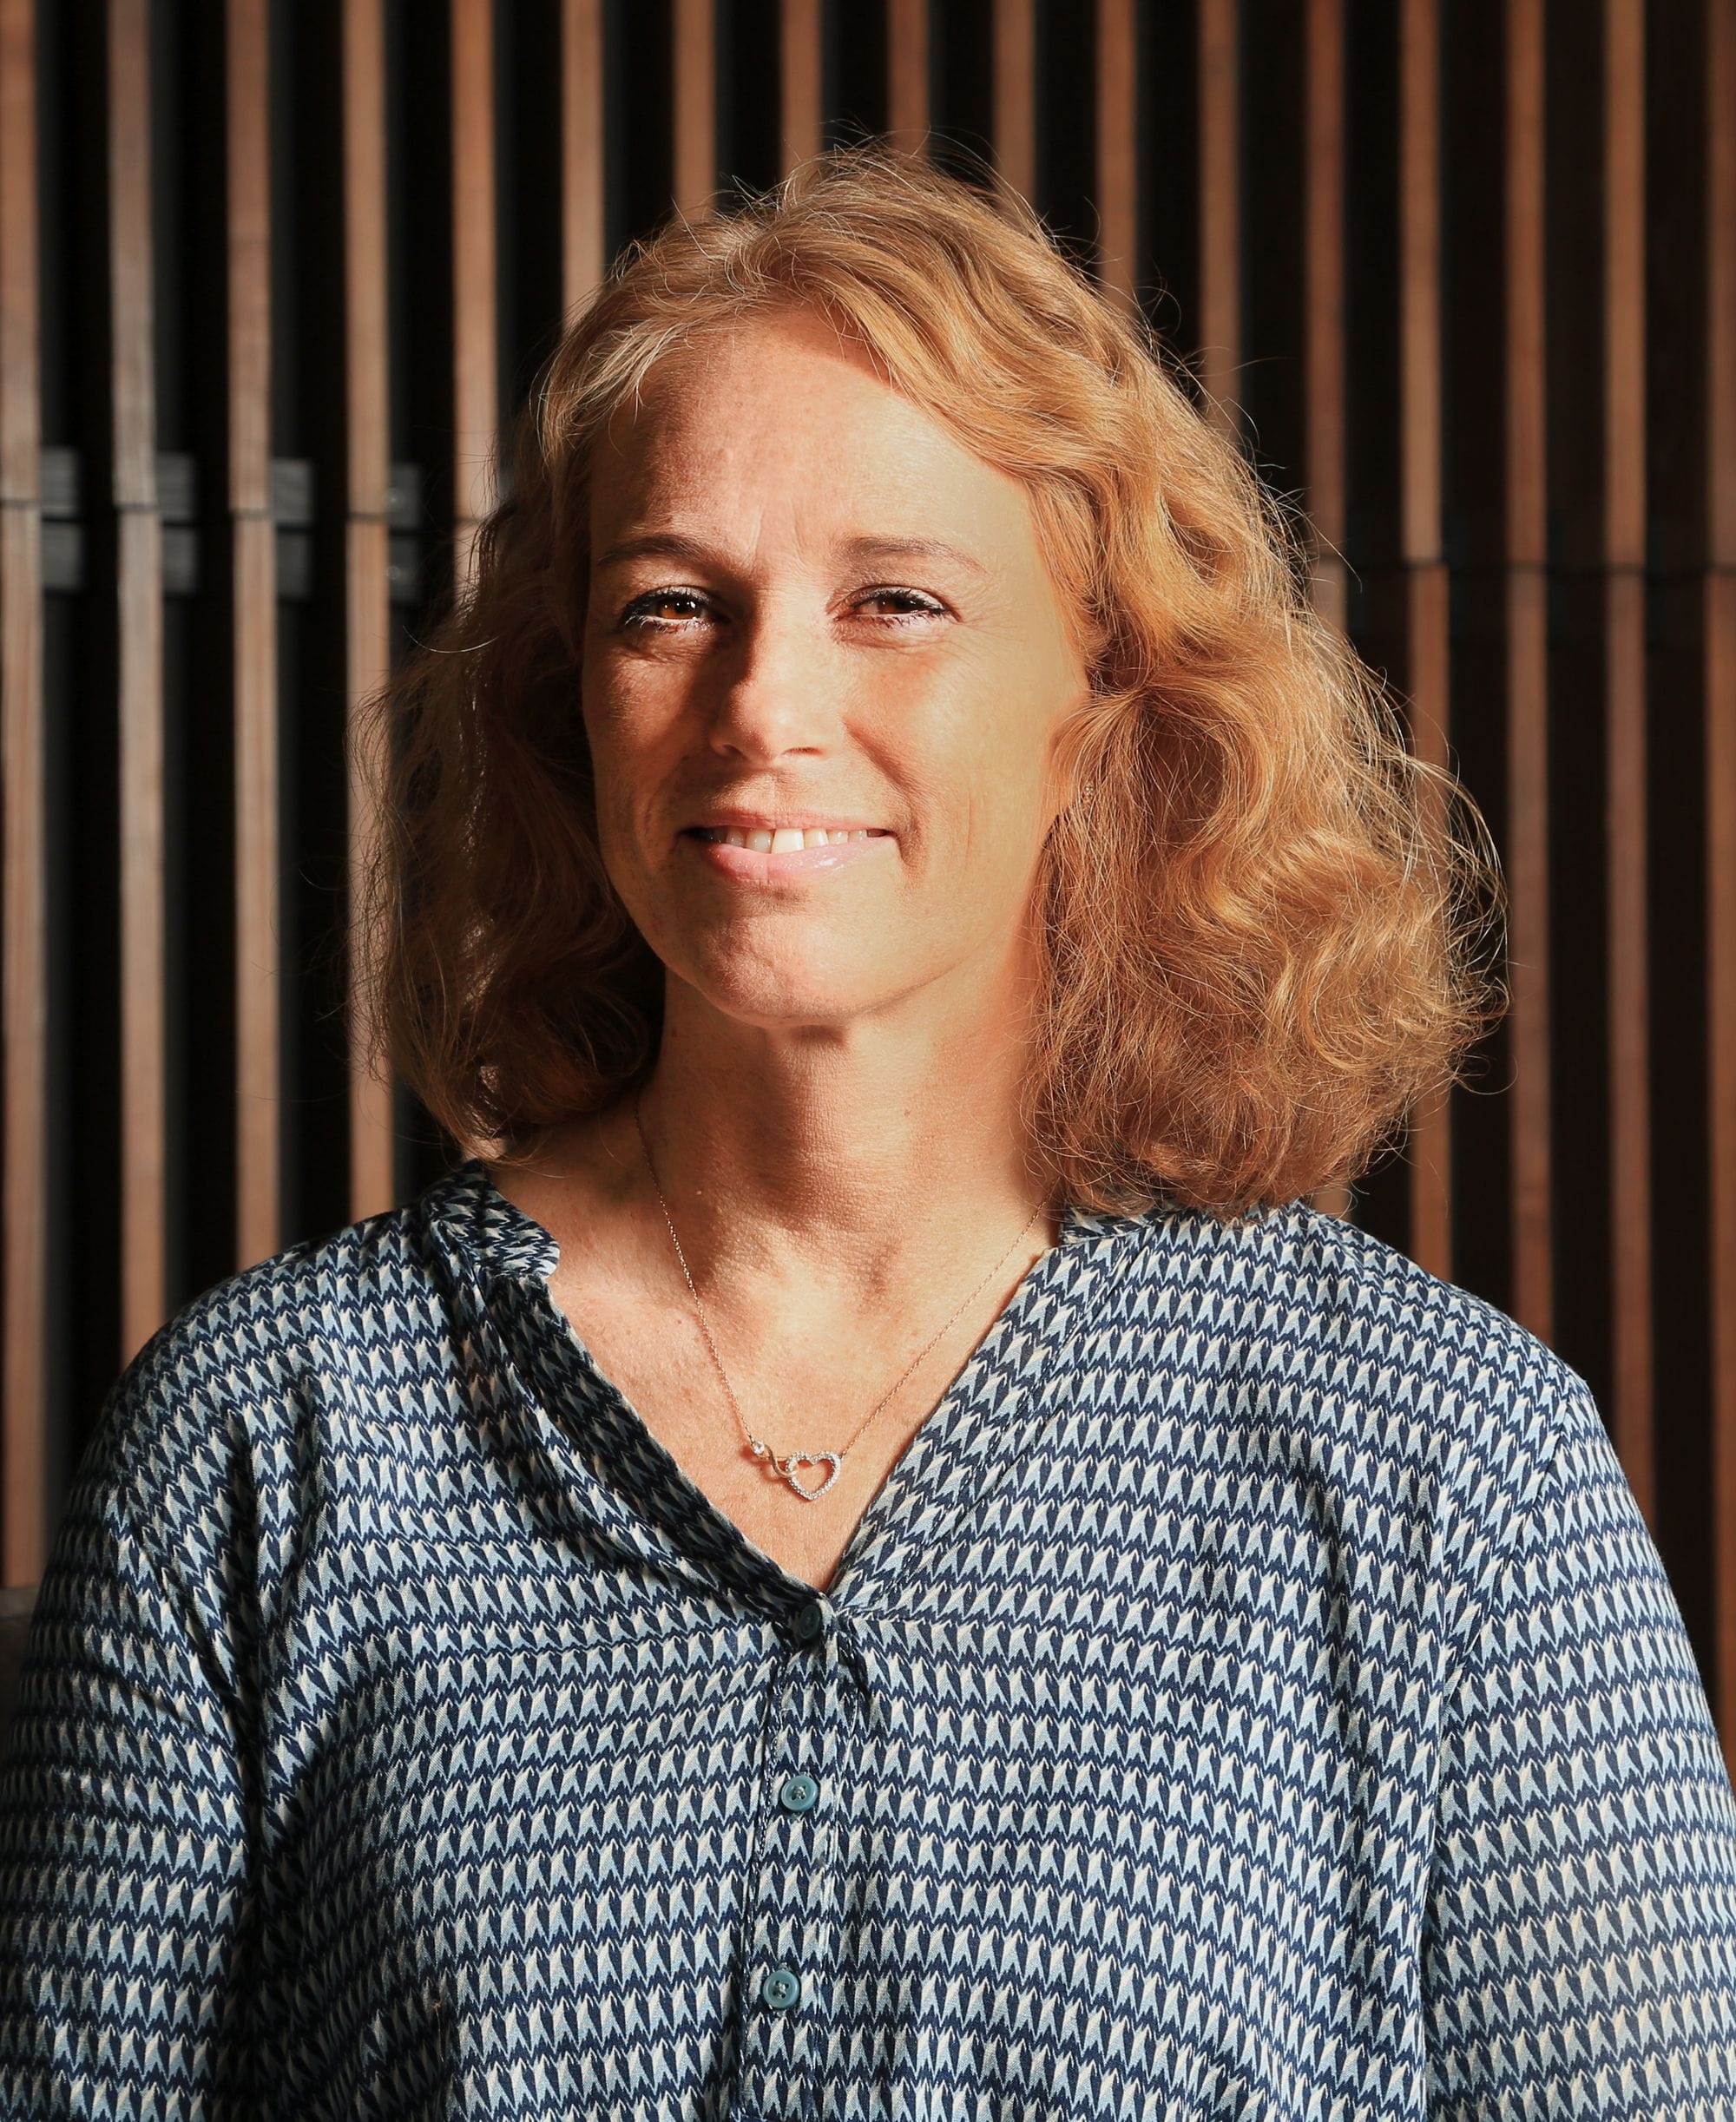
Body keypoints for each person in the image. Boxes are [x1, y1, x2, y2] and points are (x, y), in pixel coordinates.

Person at [1, 142, 1733, 2118]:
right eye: (672, 605)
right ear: (574, 696)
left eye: (893, 599)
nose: (764, 707)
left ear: (1106, 693)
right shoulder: (269, 1433)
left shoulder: (1448, 1468)